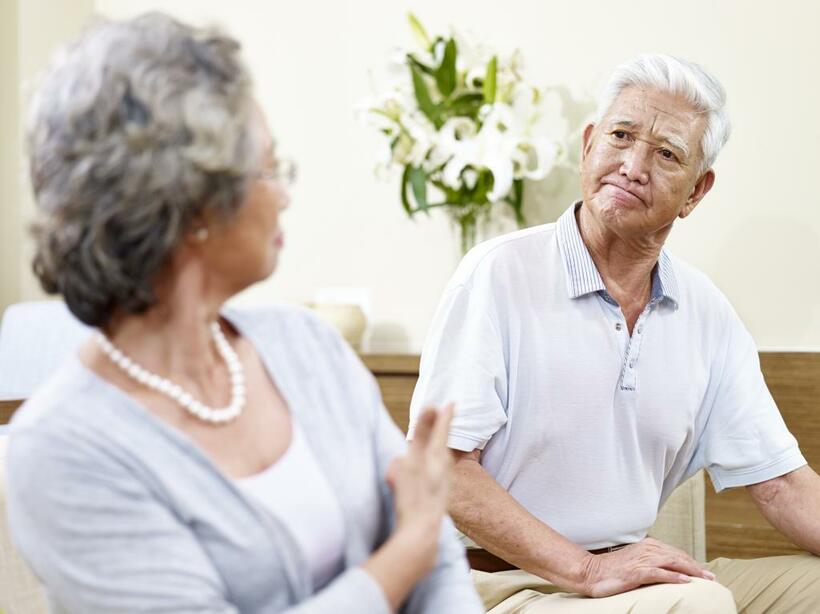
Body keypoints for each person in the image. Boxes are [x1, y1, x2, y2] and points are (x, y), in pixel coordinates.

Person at [5, 13, 482, 614]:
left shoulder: (309, 346)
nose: (284, 193)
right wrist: (400, 557)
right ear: (193, 202)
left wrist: (420, 544)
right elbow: (420, 539)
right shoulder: (62, 450)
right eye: (270, 168)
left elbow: (437, 551)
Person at [409, 54, 820, 613]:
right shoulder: (499, 273)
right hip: (499, 583)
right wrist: (586, 568)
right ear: (588, 145)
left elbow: (783, 485)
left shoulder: (707, 312)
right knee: (698, 606)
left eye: (666, 154)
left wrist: (610, 570)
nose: (633, 165)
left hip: (631, 578)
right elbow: (443, 467)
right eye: (621, 136)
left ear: (697, 192)